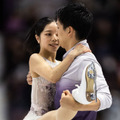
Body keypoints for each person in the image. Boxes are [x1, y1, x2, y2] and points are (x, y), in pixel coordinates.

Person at [27, 2, 112, 120]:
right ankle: (78, 96)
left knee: (62, 111)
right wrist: (37, 78)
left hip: (65, 115)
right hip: (52, 114)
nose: (56, 34)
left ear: (69, 31)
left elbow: (107, 98)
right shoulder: (68, 60)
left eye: (58, 27)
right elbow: (52, 76)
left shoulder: (85, 60)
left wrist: (77, 105)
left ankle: (79, 97)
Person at [23, 17, 91, 120]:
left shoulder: (62, 64)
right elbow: (52, 76)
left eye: (57, 34)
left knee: (73, 103)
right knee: (69, 107)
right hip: (38, 117)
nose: (55, 38)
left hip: (58, 115)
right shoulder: (35, 58)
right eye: (48, 34)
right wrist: (72, 54)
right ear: (38, 38)